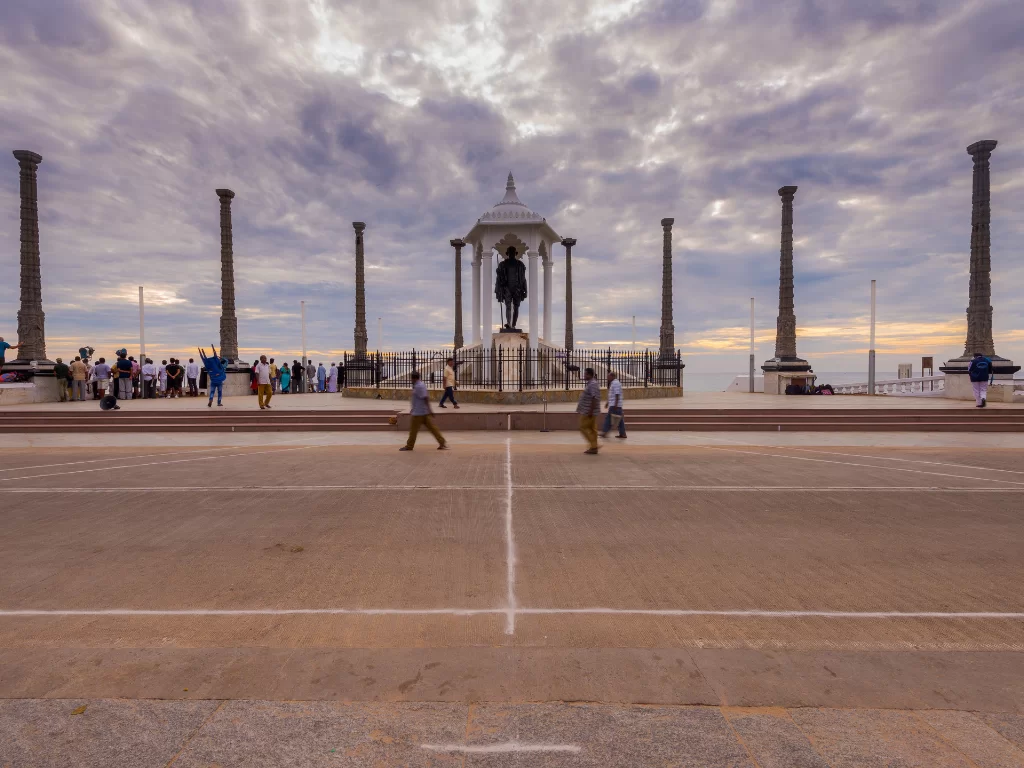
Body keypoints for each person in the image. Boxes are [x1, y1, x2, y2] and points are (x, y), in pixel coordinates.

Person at [400, 371, 447, 451]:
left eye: (411, 379)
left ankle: (409, 446)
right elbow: (419, 399)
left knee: (413, 431)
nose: (411, 380)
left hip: (419, 413)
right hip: (422, 412)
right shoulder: (420, 385)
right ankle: (442, 442)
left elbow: (425, 398)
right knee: (432, 428)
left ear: (414, 378)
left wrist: (430, 409)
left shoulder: (419, 386)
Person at [577, 367, 601, 455]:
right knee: (592, 429)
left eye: (585, 374)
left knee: (582, 427)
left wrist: (591, 410)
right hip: (589, 410)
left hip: (589, 411)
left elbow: (594, 397)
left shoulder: (592, 384)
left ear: (590, 375)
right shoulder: (591, 383)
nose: (584, 375)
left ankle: (594, 446)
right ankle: (593, 447)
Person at [600, 371, 627, 439]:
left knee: (608, 418)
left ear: (612, 376)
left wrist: (615, 404)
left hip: (615, 405)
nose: (607, 378)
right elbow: (612, 395)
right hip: (615, 404)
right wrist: (608, 403)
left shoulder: (615, 383)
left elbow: (617, 394)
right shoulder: (613, 383)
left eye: (608, 376)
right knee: (620, 420)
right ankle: (623, 434)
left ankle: (604, 432)